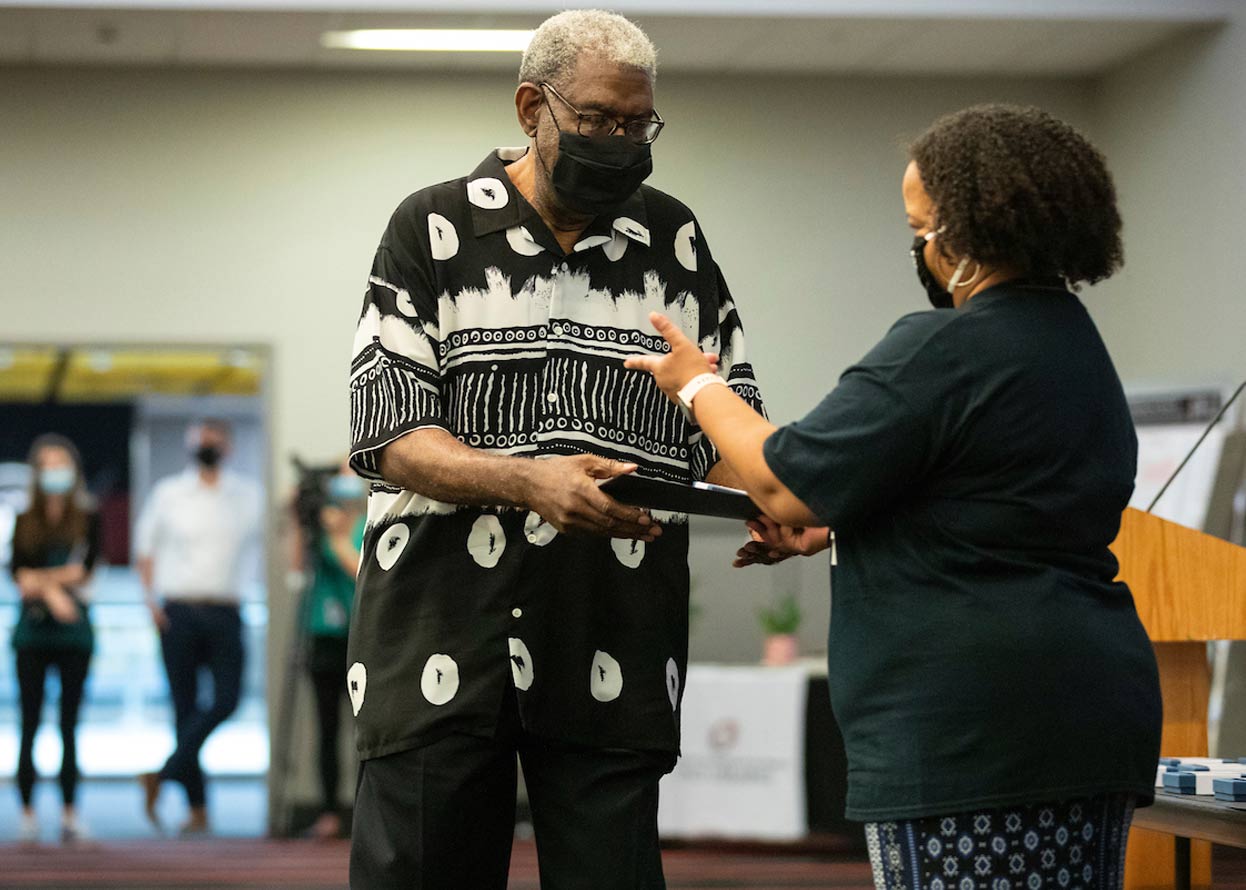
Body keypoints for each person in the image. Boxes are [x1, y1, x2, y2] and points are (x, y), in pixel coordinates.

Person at [626, 104, 1163, 889]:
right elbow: (986, 502)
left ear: (972, 230)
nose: (922, 250)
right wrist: (844, 528)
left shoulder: (944, 347)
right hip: (1087, 715)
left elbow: (781, 478)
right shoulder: (1075, 346)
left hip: (972, 732)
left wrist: (697, 382)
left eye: (924, 229)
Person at [345, 9, 765, 888]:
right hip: (441, 638)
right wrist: (528, 482)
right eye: (598, 120)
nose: (620, 141)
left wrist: (771, 500)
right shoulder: (431, 228)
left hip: (615, 631)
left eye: (636, 124)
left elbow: (725, 421)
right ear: (532, 107)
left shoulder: (675, 244)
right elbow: (388, 432)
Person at [134, 418, 261, 835]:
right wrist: (150, 602)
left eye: (215, 440)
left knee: (227, 700)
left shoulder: (247, 495)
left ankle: (164, 773)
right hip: (179, 613)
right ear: (191, 445)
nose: (208, 446)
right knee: (183, 708)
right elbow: (145, 549)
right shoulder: (169, 494)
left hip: (225, 611)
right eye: (201, 440)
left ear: (229, 447)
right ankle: (198, 808)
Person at [9, 434, 99, 844]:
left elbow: (86, 571)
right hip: (32, 634)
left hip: (74, 638)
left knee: (69, 726)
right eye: (47, 464)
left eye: (61, 463)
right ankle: (27, 813)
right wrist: (54, 589)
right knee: (29, 725)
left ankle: (69, 812)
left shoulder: (88, 518)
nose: (55, 472)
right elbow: (18, 578)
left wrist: (40, 581)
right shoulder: (24, 521)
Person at [289, 461, 366, 840]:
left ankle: (367, 810)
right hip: (323, 636)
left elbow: (362, 571)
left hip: (362, 638)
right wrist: (298, 521)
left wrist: (336, 538)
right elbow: (296, 570)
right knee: (327, 730)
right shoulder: (319, 527)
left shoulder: (372, 523)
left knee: (365, 731)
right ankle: (328, 812)